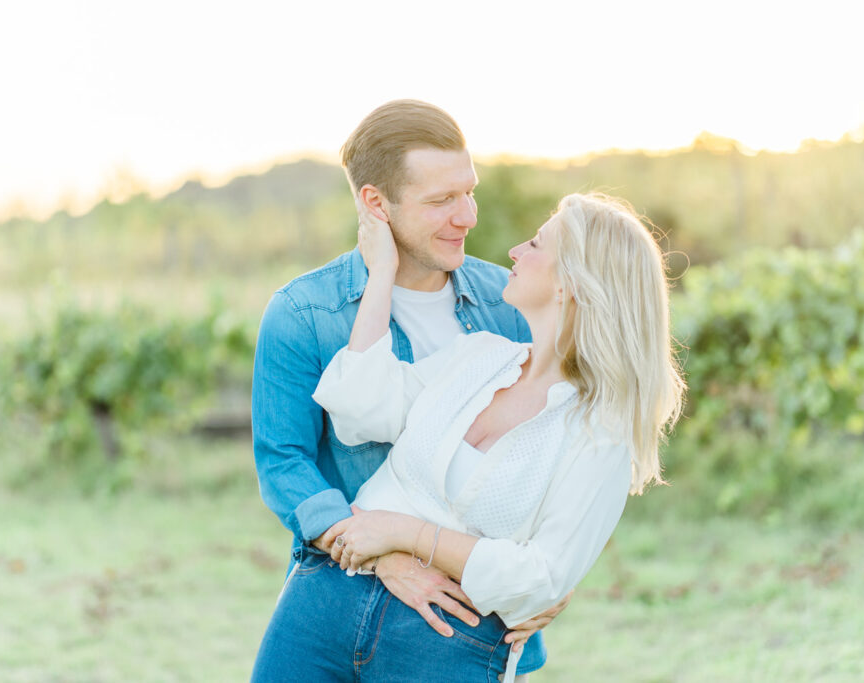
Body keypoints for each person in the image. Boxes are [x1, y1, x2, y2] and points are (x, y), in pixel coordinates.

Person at [251, 191, 686, 682]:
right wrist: (381, 274)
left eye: (536, 244)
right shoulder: (479, 355)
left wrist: (404, 532)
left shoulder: (601, 430)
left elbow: (540, 577)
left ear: (570, 283)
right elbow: (359, 406)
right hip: (328, 600)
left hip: (445, 639)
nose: (515, 252)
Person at [251, 100, 562, 679]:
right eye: (442, 201)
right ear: (376, 203)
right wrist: (384, 552)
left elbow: (566, 439)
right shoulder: (302, 312)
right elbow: (283, 461)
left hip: (468, 614)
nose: (468, 216)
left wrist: (556, 570)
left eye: (469, 191)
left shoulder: (511, 303)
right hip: (336, 597)